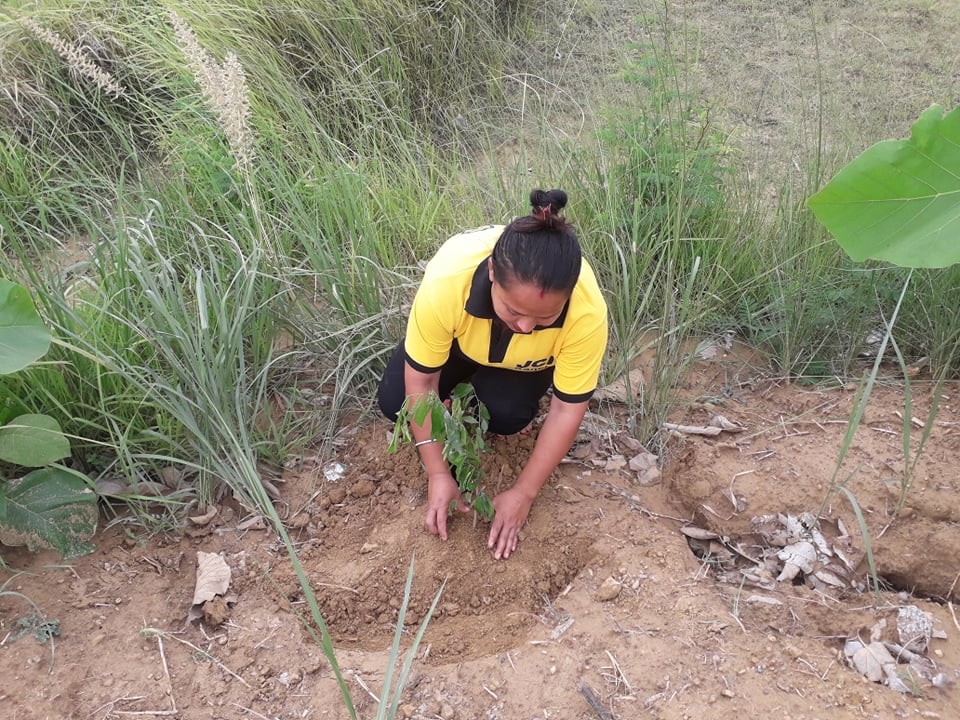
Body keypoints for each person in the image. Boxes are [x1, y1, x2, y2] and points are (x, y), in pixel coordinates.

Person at [378, 188, 608, 559]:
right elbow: (420, 384)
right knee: (393, 402)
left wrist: (523, 493)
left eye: (544, 318)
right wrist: (437, 473)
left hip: (523, 363)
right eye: (513, 309)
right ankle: (457, 394)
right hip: (459, 341)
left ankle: (477, 395)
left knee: (506, 417)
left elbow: (567, 410)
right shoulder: (446, 285)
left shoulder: (586, 313)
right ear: (491, 274)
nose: (525, 326)